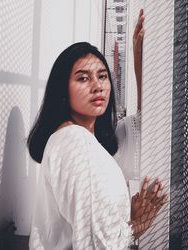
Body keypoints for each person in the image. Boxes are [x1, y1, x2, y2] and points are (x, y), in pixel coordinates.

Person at [27, 9, 167, 249]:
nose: (97, 86)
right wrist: (135, 225)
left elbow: (146, 121)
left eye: (102, 76)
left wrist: (139, 56)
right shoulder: (75, 143)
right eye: (83, 78)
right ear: (63, 90)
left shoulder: (90, 139)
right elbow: (96, 243)